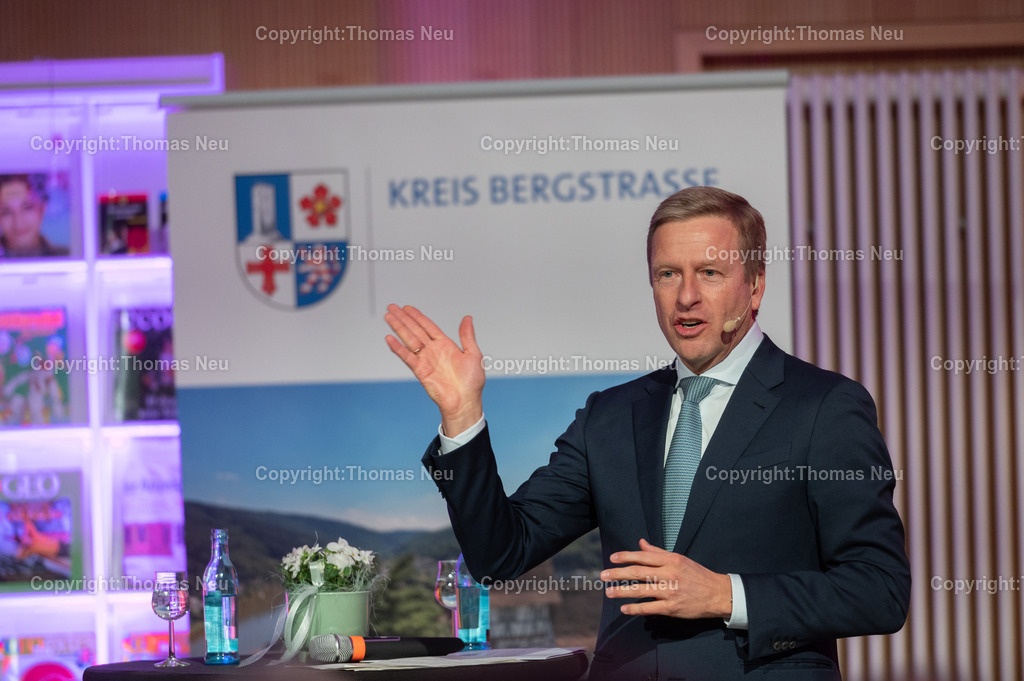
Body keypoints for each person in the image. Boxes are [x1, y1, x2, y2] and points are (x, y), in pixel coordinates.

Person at [384, 186, 910, 680]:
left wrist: (725, 594)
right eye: (667, 274)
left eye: (709, 272)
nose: (686, 297)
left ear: (755, 285)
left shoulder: (824, 406)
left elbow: (879, 590)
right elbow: (499, 557)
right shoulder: (610, 416)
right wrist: (462, 416)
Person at [0, 174, 69, 257]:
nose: (19, 223)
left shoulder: (68, 258)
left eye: (27, 207)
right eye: (6, 212)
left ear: (42, 208)